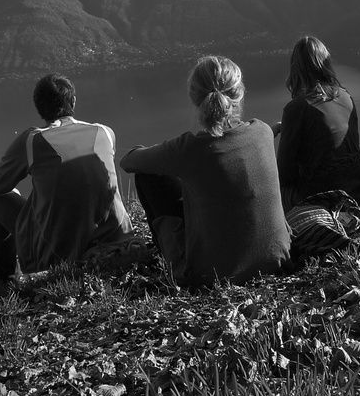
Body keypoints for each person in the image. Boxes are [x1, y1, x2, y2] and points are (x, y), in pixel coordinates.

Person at [119, 56, 291, 287]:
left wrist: (160, 152)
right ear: (239, 92)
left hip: (210, 277)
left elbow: (128, 162)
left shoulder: (187, 148)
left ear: (194, 96)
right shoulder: (262, 131)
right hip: (279, 258)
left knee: (148, 176)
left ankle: (176, 262)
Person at [0, 74, 131, 295]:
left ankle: (4, 283)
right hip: (117, 239)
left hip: (58, 254)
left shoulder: (33, 140)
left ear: (39, 108)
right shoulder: (105, 132)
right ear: (73, 102)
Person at [275, 36, 360, 209]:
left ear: (296, 68)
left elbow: (284, 175)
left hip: (321, 199)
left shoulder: (296, 108)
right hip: (357, 190)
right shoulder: (345, 96)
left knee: (270, 187)